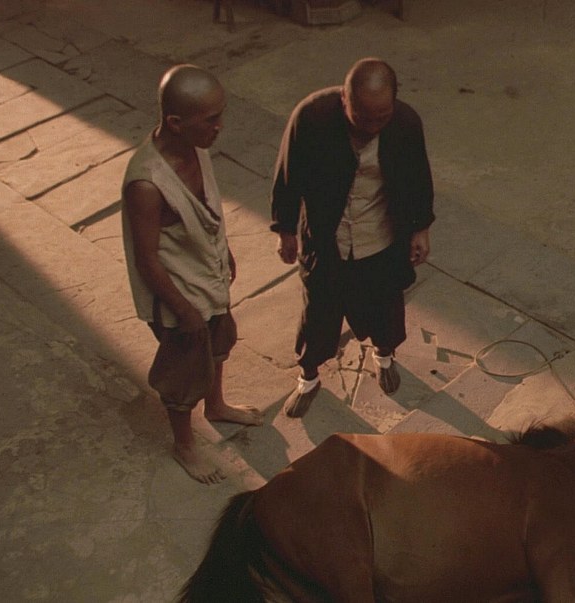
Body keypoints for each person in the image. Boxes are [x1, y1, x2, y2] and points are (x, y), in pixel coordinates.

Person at [271, 57, 435, 418]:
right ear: (344, 99)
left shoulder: (405, 124)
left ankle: (384, 356)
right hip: (325, 238)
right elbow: (288, 175)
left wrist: (421, 228)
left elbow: (418, 179)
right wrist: (285, 230)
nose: (372, 127)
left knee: (384, 308)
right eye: (362, 118)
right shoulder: (311, 117)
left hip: (380, 238)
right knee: (318, 314)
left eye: (381, 118)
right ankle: (308, 378)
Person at [121, 64, 262, 485]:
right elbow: (147, 260)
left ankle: (216, 405)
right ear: (175, 122)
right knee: (183, 374)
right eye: (210, 120)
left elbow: (205, 209)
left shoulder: (197, 146)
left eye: (220, 115)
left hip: (207, 278)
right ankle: (184, 445)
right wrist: (183, 311)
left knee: (219, 342)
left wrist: (224, 249)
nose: (219, 127)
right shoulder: (147, 184)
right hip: (178, 294)